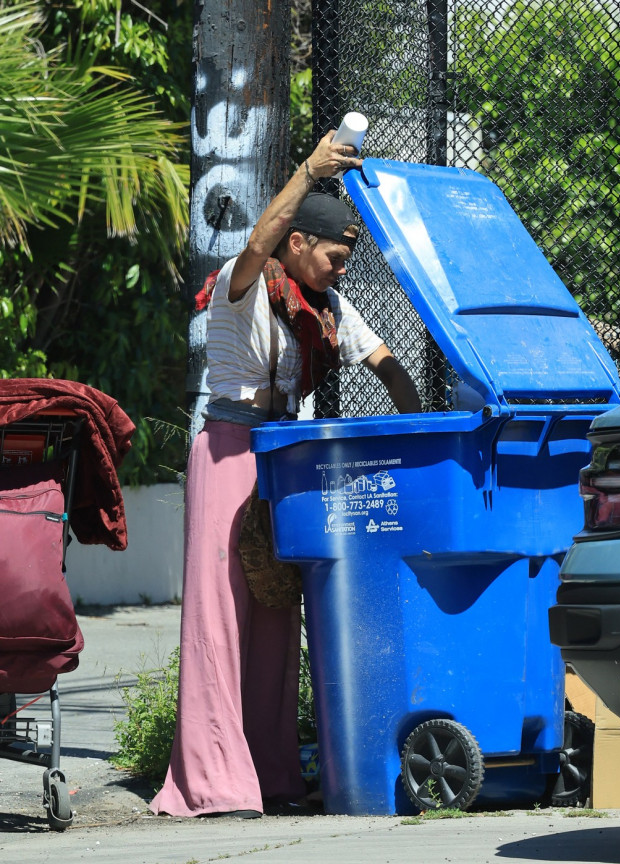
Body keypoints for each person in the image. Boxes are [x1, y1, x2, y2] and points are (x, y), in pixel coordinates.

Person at [149, 131, 421, 820]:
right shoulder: (243, 289)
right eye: (333, 257)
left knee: (276, 616)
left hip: (283, 457)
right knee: (220, 621)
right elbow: (256, 240)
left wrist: (416, 427)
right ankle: (211, 782)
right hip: (229, 448)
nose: (341, 271)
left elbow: (387, 364)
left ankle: (269, 774)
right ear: (297, 243)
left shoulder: (325, 305)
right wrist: (308, 171)